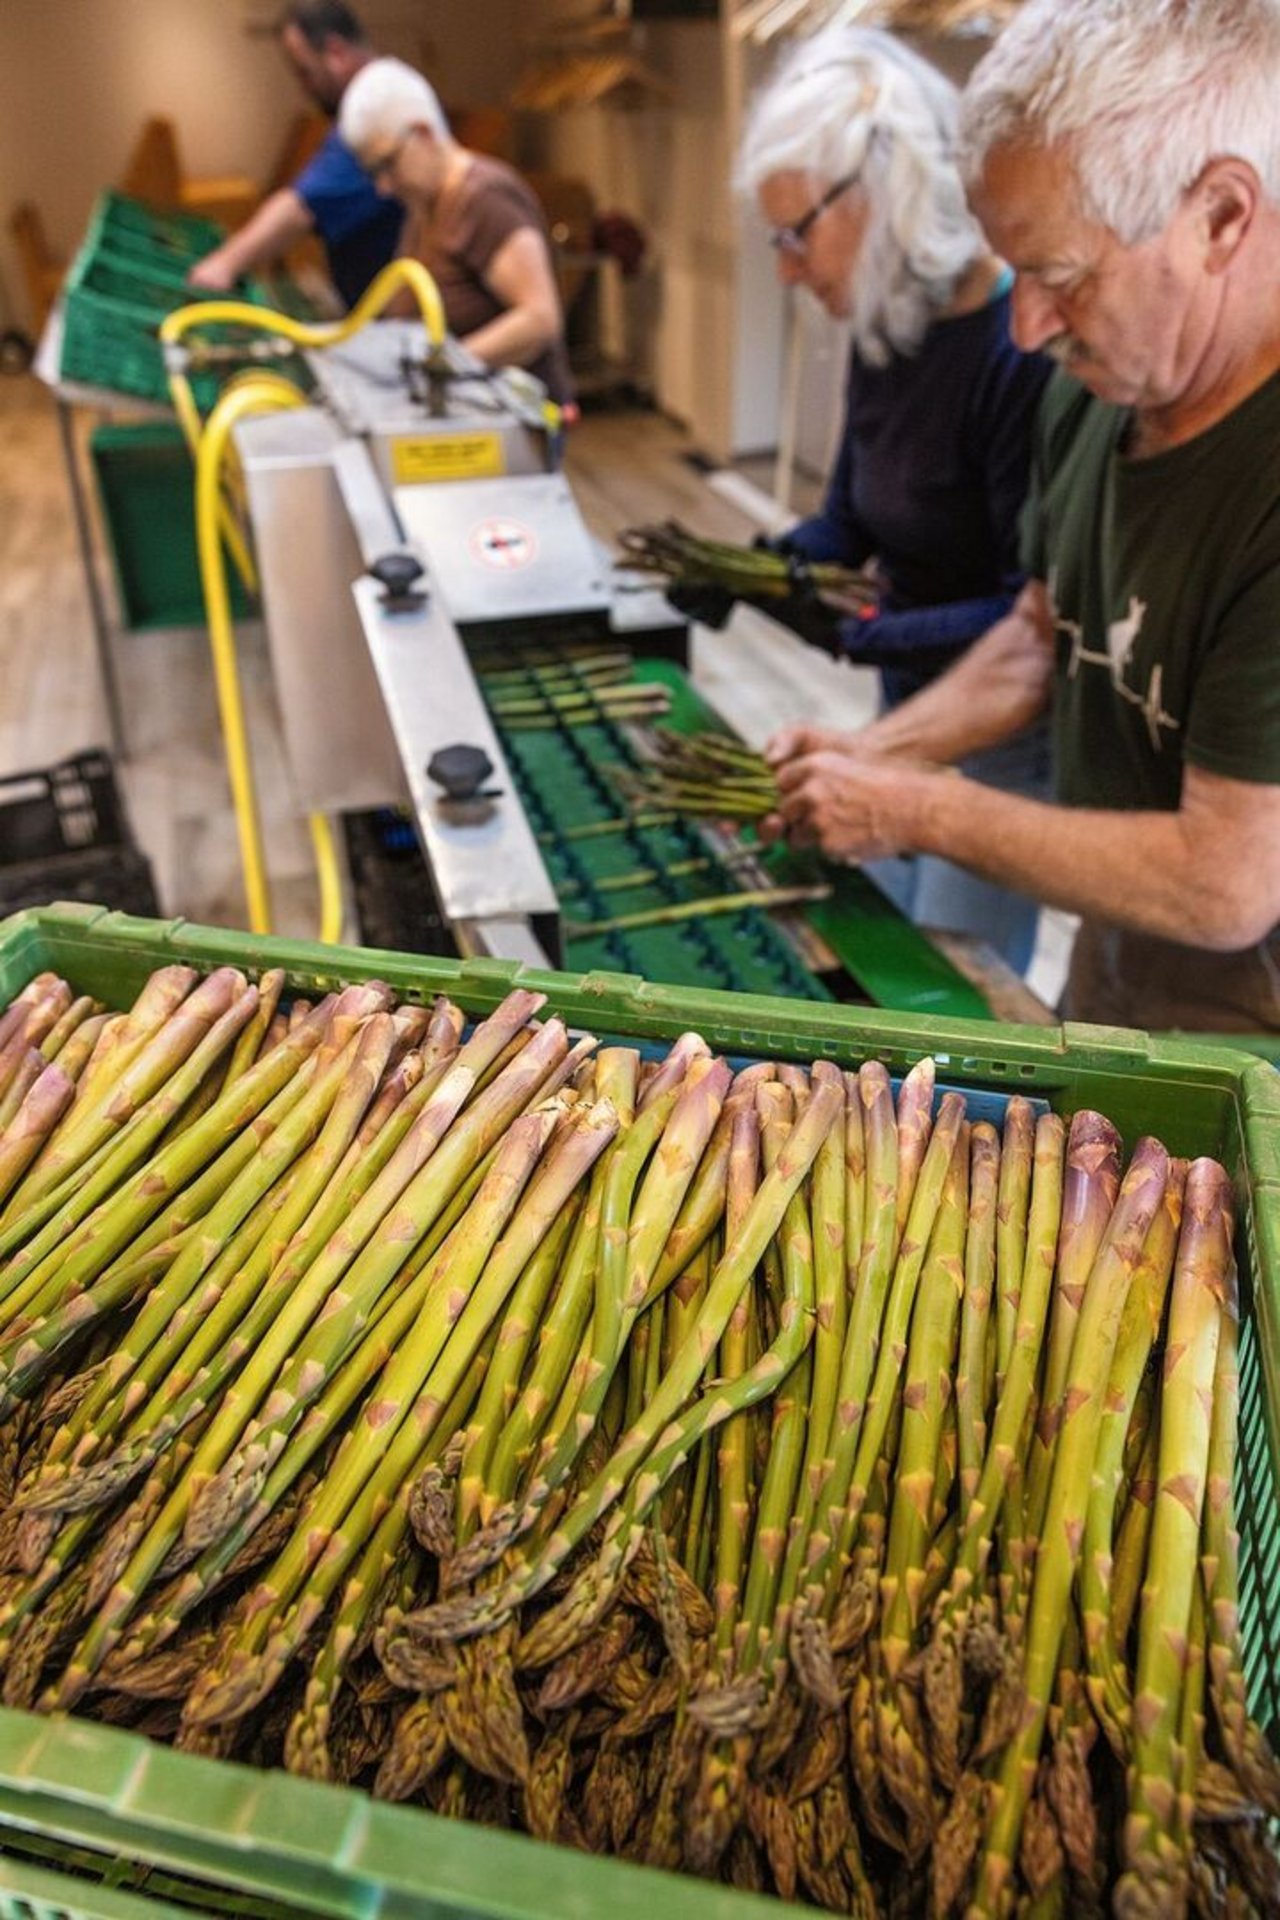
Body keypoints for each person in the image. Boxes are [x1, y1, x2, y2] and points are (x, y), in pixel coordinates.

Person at [765, 0, 1280, 1034]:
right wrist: (879, 753)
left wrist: (922, 809)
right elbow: (1041, 635)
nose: (1024, 325)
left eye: (1056, 276)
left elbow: (1223, 880)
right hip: (1119, 963)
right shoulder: (1098, 388)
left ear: (1219, 216)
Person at [727, 28, 1052, 974]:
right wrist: (767, 567)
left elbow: (1028, 623)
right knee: (881, 933)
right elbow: (852, 521)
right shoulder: (889, 326)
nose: (786, 268)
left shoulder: (1017, 354)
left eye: (795, 235)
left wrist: (865, 632)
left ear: (884, 195)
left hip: (1002, 742)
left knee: (947, 980)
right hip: (904, 700)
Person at [339, 58, 573, 404]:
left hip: (509, 424)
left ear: (423, 133)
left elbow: (539, 319)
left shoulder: (485, 199)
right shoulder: (424, 201)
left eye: (387, 164)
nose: (383, 187)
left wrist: (443, 367)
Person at [188, 2, 402, 310]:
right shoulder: (378, 90)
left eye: (305, 72)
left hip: (392, 317)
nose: (304, 89)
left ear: (336, 52)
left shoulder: (375, 103)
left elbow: (301, 207)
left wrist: (225, 263)